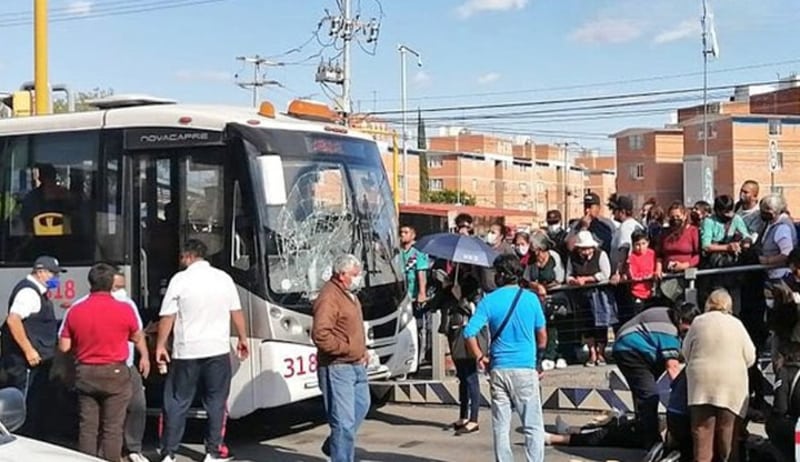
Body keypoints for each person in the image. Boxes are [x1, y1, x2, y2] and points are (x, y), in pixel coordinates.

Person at [156, 239, 250, 462]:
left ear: (188, 256)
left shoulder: (179, 280)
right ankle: (213, 451)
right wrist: (243, 338)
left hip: (186, 351)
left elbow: (167, 316)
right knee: (216, 402)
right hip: (217, 349)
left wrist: (161, 345)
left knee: (178, 401)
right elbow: (236, 311)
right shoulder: (223, 279)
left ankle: (169, 452)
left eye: (181, 257)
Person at [58, 262, 149, 461]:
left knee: (88, 427)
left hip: (86, 372)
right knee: (112, 428)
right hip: (115, 373)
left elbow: (64, 347)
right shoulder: (124, 309)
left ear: (90, 283)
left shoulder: (76, 310)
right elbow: (136, 336)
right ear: (111, 284)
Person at [464, 254, 548, 462]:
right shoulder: (531, 299)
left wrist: (479, 356)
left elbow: (468, 333)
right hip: (525, 368)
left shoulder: (489, 301)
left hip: (499, 368)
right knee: (532, 425)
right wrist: (539, 362)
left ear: (501, 275)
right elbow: (542, 335)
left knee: (501, 426)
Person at [611, 301, 699, 449]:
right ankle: (652, 442)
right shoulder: (668, 330)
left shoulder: (667, 316)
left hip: (639, 348)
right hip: (629, 350)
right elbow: (673, 367)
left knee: (643, 392)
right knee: (649, 395)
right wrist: (686, 394)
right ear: (681, 320)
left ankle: (642, 427)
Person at [682, 289, 756, 462]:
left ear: (708, 303)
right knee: (728, 435)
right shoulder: (737, 324)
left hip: (701, 384)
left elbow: (685, 352)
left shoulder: (698, 322)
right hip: (731, 385)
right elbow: (751, 357)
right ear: (729, 305)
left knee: (702, 434)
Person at [312, 254, 370, 462]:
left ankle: (334, 444)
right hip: (338, 367)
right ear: (342, 274)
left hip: (356, 364)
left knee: (361, 407)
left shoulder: (349, 295)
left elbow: (352, 328)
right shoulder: (329, 297)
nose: (359, 277)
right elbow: (320, 334)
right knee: (343, 422)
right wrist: (346, 349)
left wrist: (362, 349)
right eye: (355, 274)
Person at [0, 255, 64, 437]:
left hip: (34, 362)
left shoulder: (38, 293)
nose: (56, 279)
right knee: (22, 408)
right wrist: (29, 350)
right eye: (54, 275)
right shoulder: (28, 292)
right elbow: (13, 320)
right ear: (41, 272)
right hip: (25, 364)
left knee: (34, 406)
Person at [566, 230, 615, 367]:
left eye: (587, 248)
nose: (585, 252)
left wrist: (587, 279)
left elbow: (605, 274)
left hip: (598, 293)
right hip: (581, 295)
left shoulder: (601, 255)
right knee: (586, 325)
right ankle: (592, 353)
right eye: (582, 249)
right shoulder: (572, 257)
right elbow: (568, 274)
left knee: (601, 324)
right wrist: (573, 281)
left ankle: (601, 353)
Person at [626, 229, 656, 312]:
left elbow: (656, 269)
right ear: (633, 245)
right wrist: (648, 275)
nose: (641, 247)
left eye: (643, 243)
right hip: (637, 292)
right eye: (637, 244)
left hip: (651, 291)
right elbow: (633, 275)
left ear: (648, 243)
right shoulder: (632, 258)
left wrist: (654, 274)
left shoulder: (652, 254)